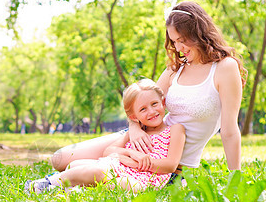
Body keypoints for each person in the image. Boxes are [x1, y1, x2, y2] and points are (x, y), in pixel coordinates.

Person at [51, 1, 246, 173]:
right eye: (174, 42)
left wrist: (234, 179)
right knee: (59, 159)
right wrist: (135, 130)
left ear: (197, 34)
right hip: (142, 138)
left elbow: (229, 130)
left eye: (182, 40)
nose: (178, 49)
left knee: (84, 168)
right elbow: (140, 101)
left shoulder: (224, 68)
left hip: (167, 158)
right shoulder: (176, 69)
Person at [25, 79, 185, 193]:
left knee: (105, 176)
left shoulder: (175, 130)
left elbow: (170, 165)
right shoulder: (135, 133)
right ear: (134, 117)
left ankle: (50, 184)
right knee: (77, 164)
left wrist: (137, 164)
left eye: (154, 104)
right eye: (143, 109)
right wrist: (130, 153)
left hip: (144, 180)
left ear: (163, 103)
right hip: (119, 167)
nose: (151, 111)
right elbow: (109, 151)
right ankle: (62, 185)